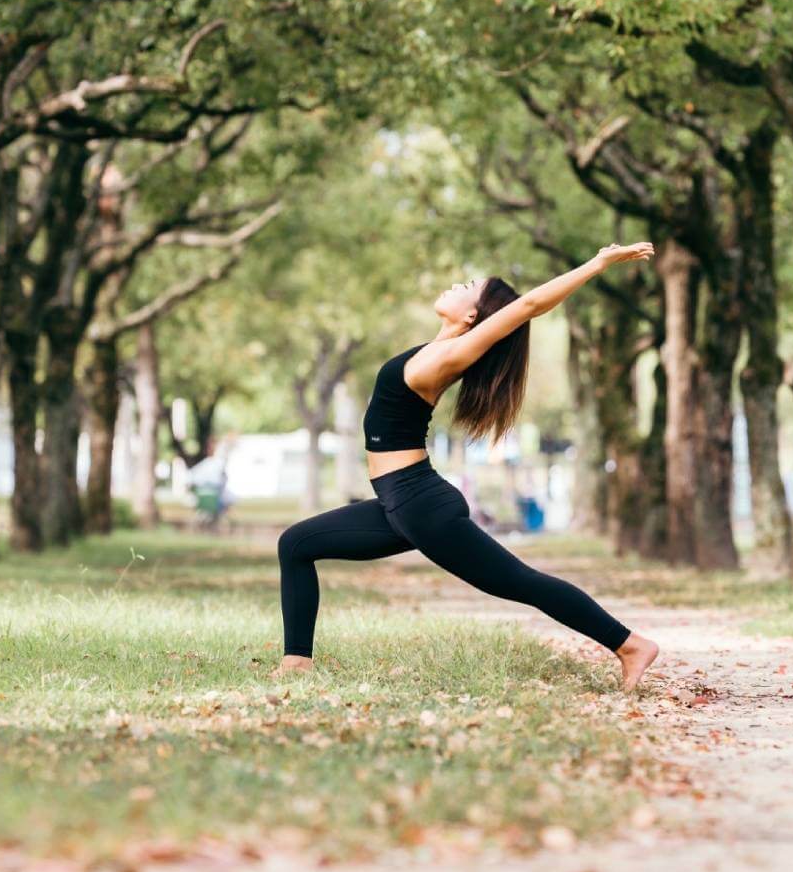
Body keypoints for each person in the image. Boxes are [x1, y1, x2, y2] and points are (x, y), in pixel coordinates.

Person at [276, 244, 660, 691]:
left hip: (420, 505)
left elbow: (531, 305)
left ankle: (630, 644)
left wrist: (597, 264)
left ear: (475, 317)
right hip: (399, 502)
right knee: (297, 544)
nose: (458, 284)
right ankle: (296, 663)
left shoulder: (449, 356)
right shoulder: (433, 350)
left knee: (521, 583)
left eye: (469, 287)